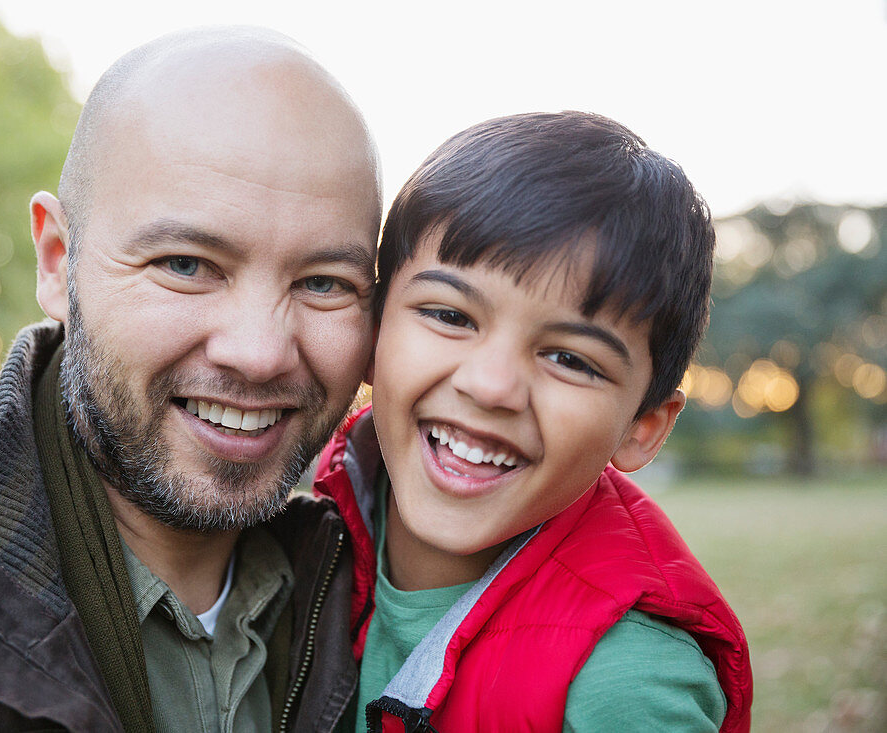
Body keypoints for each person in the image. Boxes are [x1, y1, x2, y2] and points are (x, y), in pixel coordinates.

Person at [0, 27, 382, 732]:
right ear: (56, 261)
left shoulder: (397, 613)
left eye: (323, 282)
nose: (258, 353)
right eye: (186, 264)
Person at [313, 112, 754, 731]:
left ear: (643, 427)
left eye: (569, 358)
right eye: (450, 315)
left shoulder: (626, 684)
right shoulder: (292, 529)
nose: (491, 386)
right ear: (373, 327)